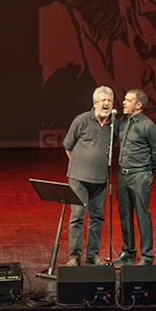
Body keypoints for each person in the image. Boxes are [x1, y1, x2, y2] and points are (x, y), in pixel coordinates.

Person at [63, 86, 115, 266]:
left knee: (97, 218)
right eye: (103, 101)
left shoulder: (113, 124)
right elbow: (68, 146)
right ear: (95, 103)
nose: (106, 104)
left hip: (100, 180)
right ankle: (74, 256)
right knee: (77, 216)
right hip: (78, 179)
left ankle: (92, 255)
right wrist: (81, 165)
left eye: (109, 101)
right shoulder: (82, 120)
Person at [114, 89, 156, 266]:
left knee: (142, 214)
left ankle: (147, 256)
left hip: (140, 174)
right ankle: (128, 251)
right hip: (123, 174)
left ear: (138, 105)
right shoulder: (123, 121)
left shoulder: (147, 125)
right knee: (124, 214)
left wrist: (148, 173)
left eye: (128, 100)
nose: (124, 103)